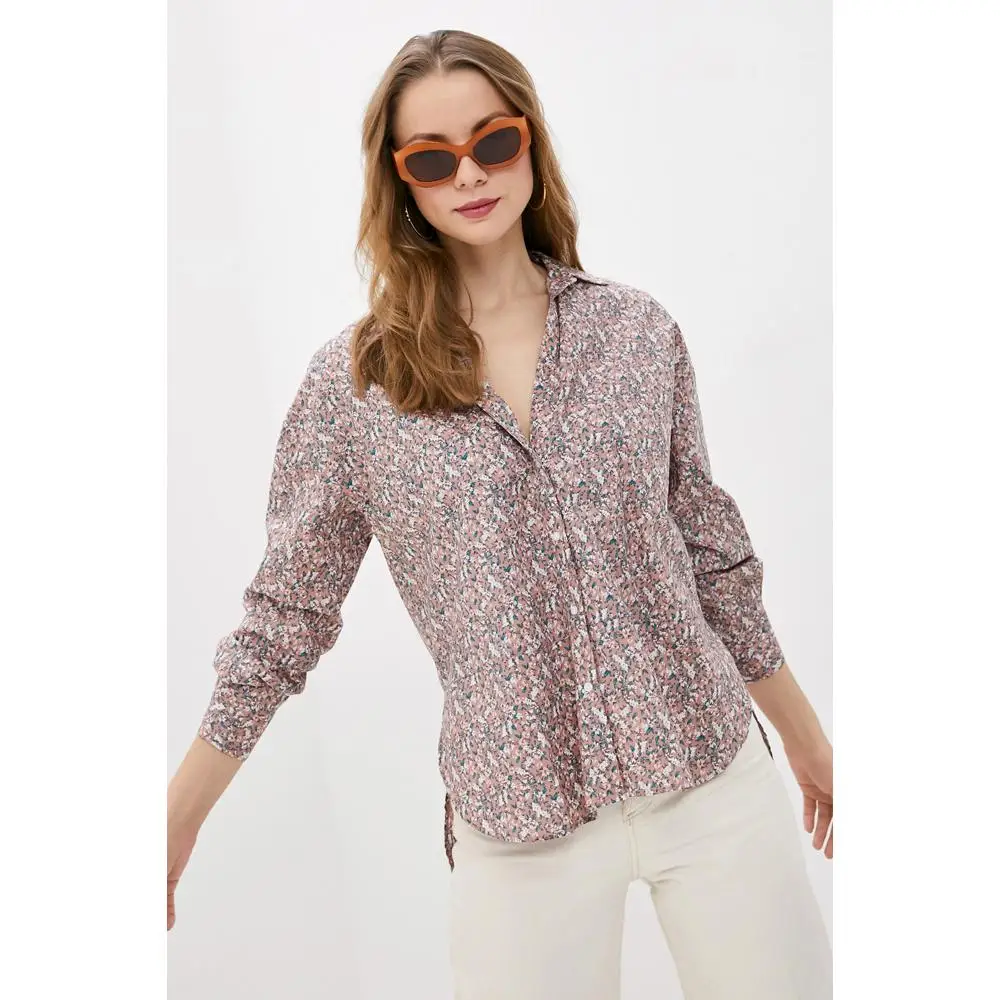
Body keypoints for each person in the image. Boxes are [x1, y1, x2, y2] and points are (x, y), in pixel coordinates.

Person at [168, 28, 833, 1000]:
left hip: (708, 773)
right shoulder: (356, 389)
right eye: (433, 159)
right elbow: (285, 618)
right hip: (519, 822)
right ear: (400, 181)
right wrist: (177, 818)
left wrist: (808, 743)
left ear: (530, 141)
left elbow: (713, 556)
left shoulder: (635, 332)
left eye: (493, 141)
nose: (470, 174)